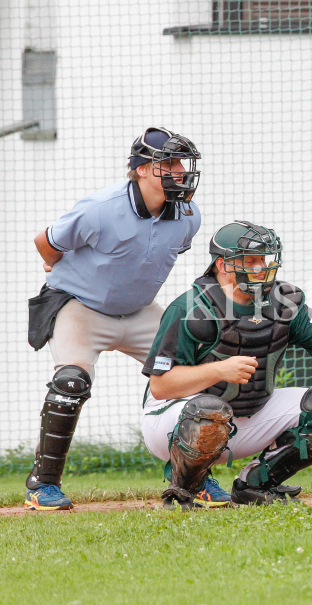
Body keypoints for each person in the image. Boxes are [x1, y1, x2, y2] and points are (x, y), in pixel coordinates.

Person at [140, 221, 312, 509]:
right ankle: (187, 489)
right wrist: (218, 370)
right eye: (250, 261)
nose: (260, 268)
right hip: (172, 424)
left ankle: (256, 484)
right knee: (209, 410)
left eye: (263, 260)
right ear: (223, 264)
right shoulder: (190, 308)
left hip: (245, 418)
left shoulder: (284, 302)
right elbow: (161, 385)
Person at [25, 127, 202, 511]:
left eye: (181, 163)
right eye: (166, 163)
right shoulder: (101, 207)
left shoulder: (188, 214)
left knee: (194, 373)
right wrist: (57, 271)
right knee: (71, 381)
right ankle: (44, 484)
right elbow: (46, 243)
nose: (178, 171)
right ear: (139, 169)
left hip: (138, 312)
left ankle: (193, 477)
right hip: (80, 307)